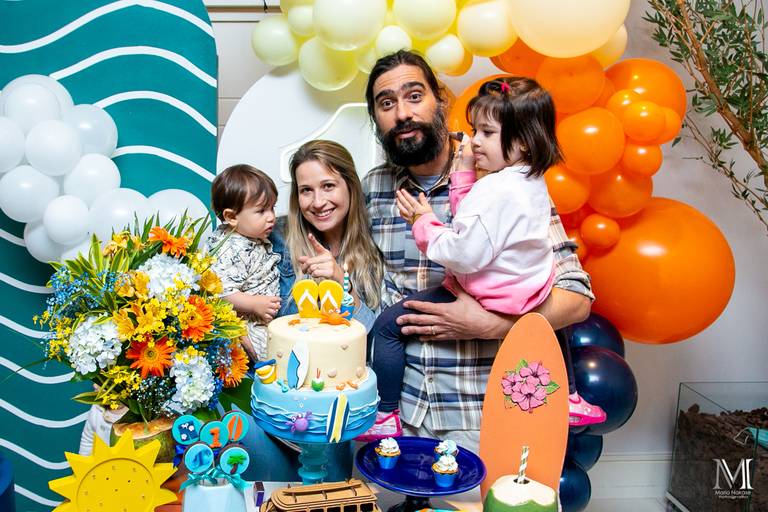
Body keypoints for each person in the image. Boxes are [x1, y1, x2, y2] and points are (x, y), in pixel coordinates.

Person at [360, 50, 595, 450]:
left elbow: (577, 298)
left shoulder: (506, 179)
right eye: (386, 103)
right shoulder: (374, 188)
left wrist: (495, 324)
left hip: (486, 415)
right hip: (404, 415)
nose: (402, 114)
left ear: (441, 100)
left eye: (414, 96)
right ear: (376, 118)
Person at [242, 140, 384, 482]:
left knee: (326, 490)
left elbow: (371, 331)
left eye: (328, 186)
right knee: (271, 491)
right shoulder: (273, 236)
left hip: (329, 413)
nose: (318, 202)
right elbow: (227, 275)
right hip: (270, 403)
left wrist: (340, 281)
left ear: (350, 186)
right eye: (306, 190)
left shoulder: (374, 244)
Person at [207, 164, 281, 362]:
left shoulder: (251, 235)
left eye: (272, 208)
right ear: (231, 217)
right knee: (269, 361)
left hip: (262, 319)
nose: (271, 217)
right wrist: (253, 304)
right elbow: (221, 293)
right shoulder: (229, 248)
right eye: (261, 211)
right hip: (246, 325)